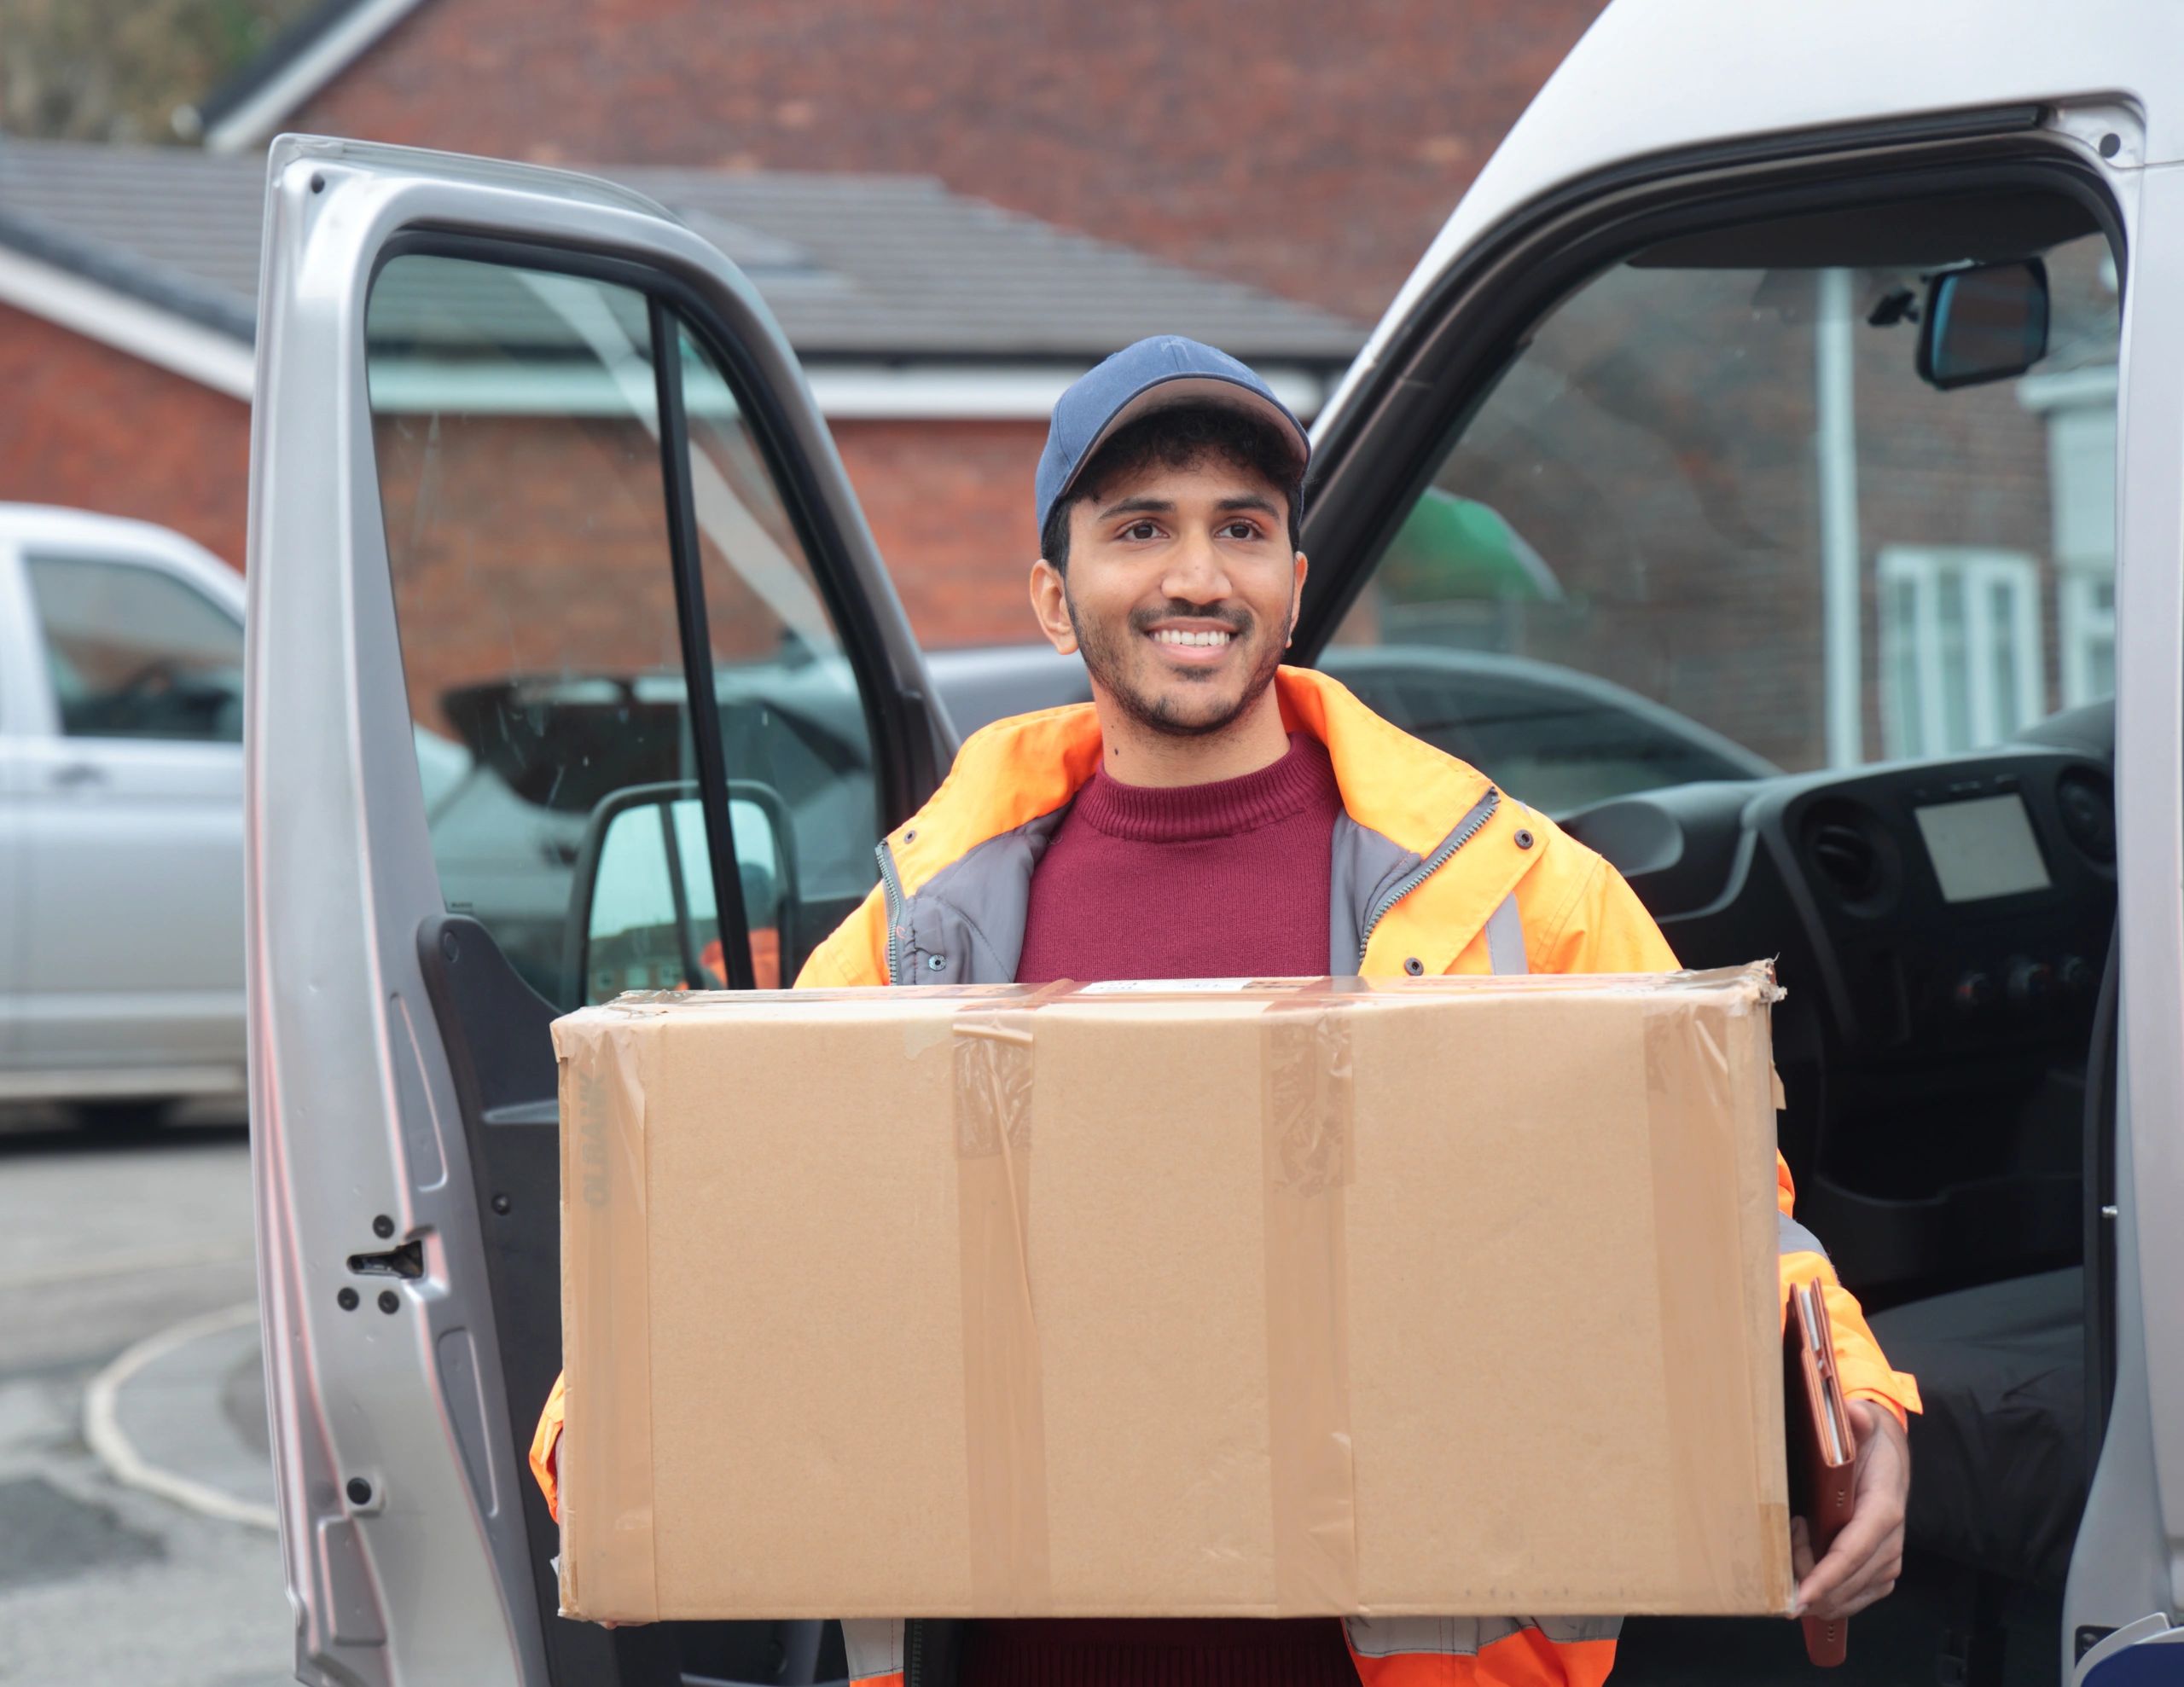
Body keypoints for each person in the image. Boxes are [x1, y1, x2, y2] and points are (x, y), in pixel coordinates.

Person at [531, 335, 1919, 1687]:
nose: (1197, 575)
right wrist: (602, 1434)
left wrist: (1852, 1395)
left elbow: (1722, 1212)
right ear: (1051, 593)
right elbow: (736, 1228)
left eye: (1241, 528)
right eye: (1139, 527)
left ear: (1296, 582)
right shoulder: (927, 927)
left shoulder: (1514, 886)